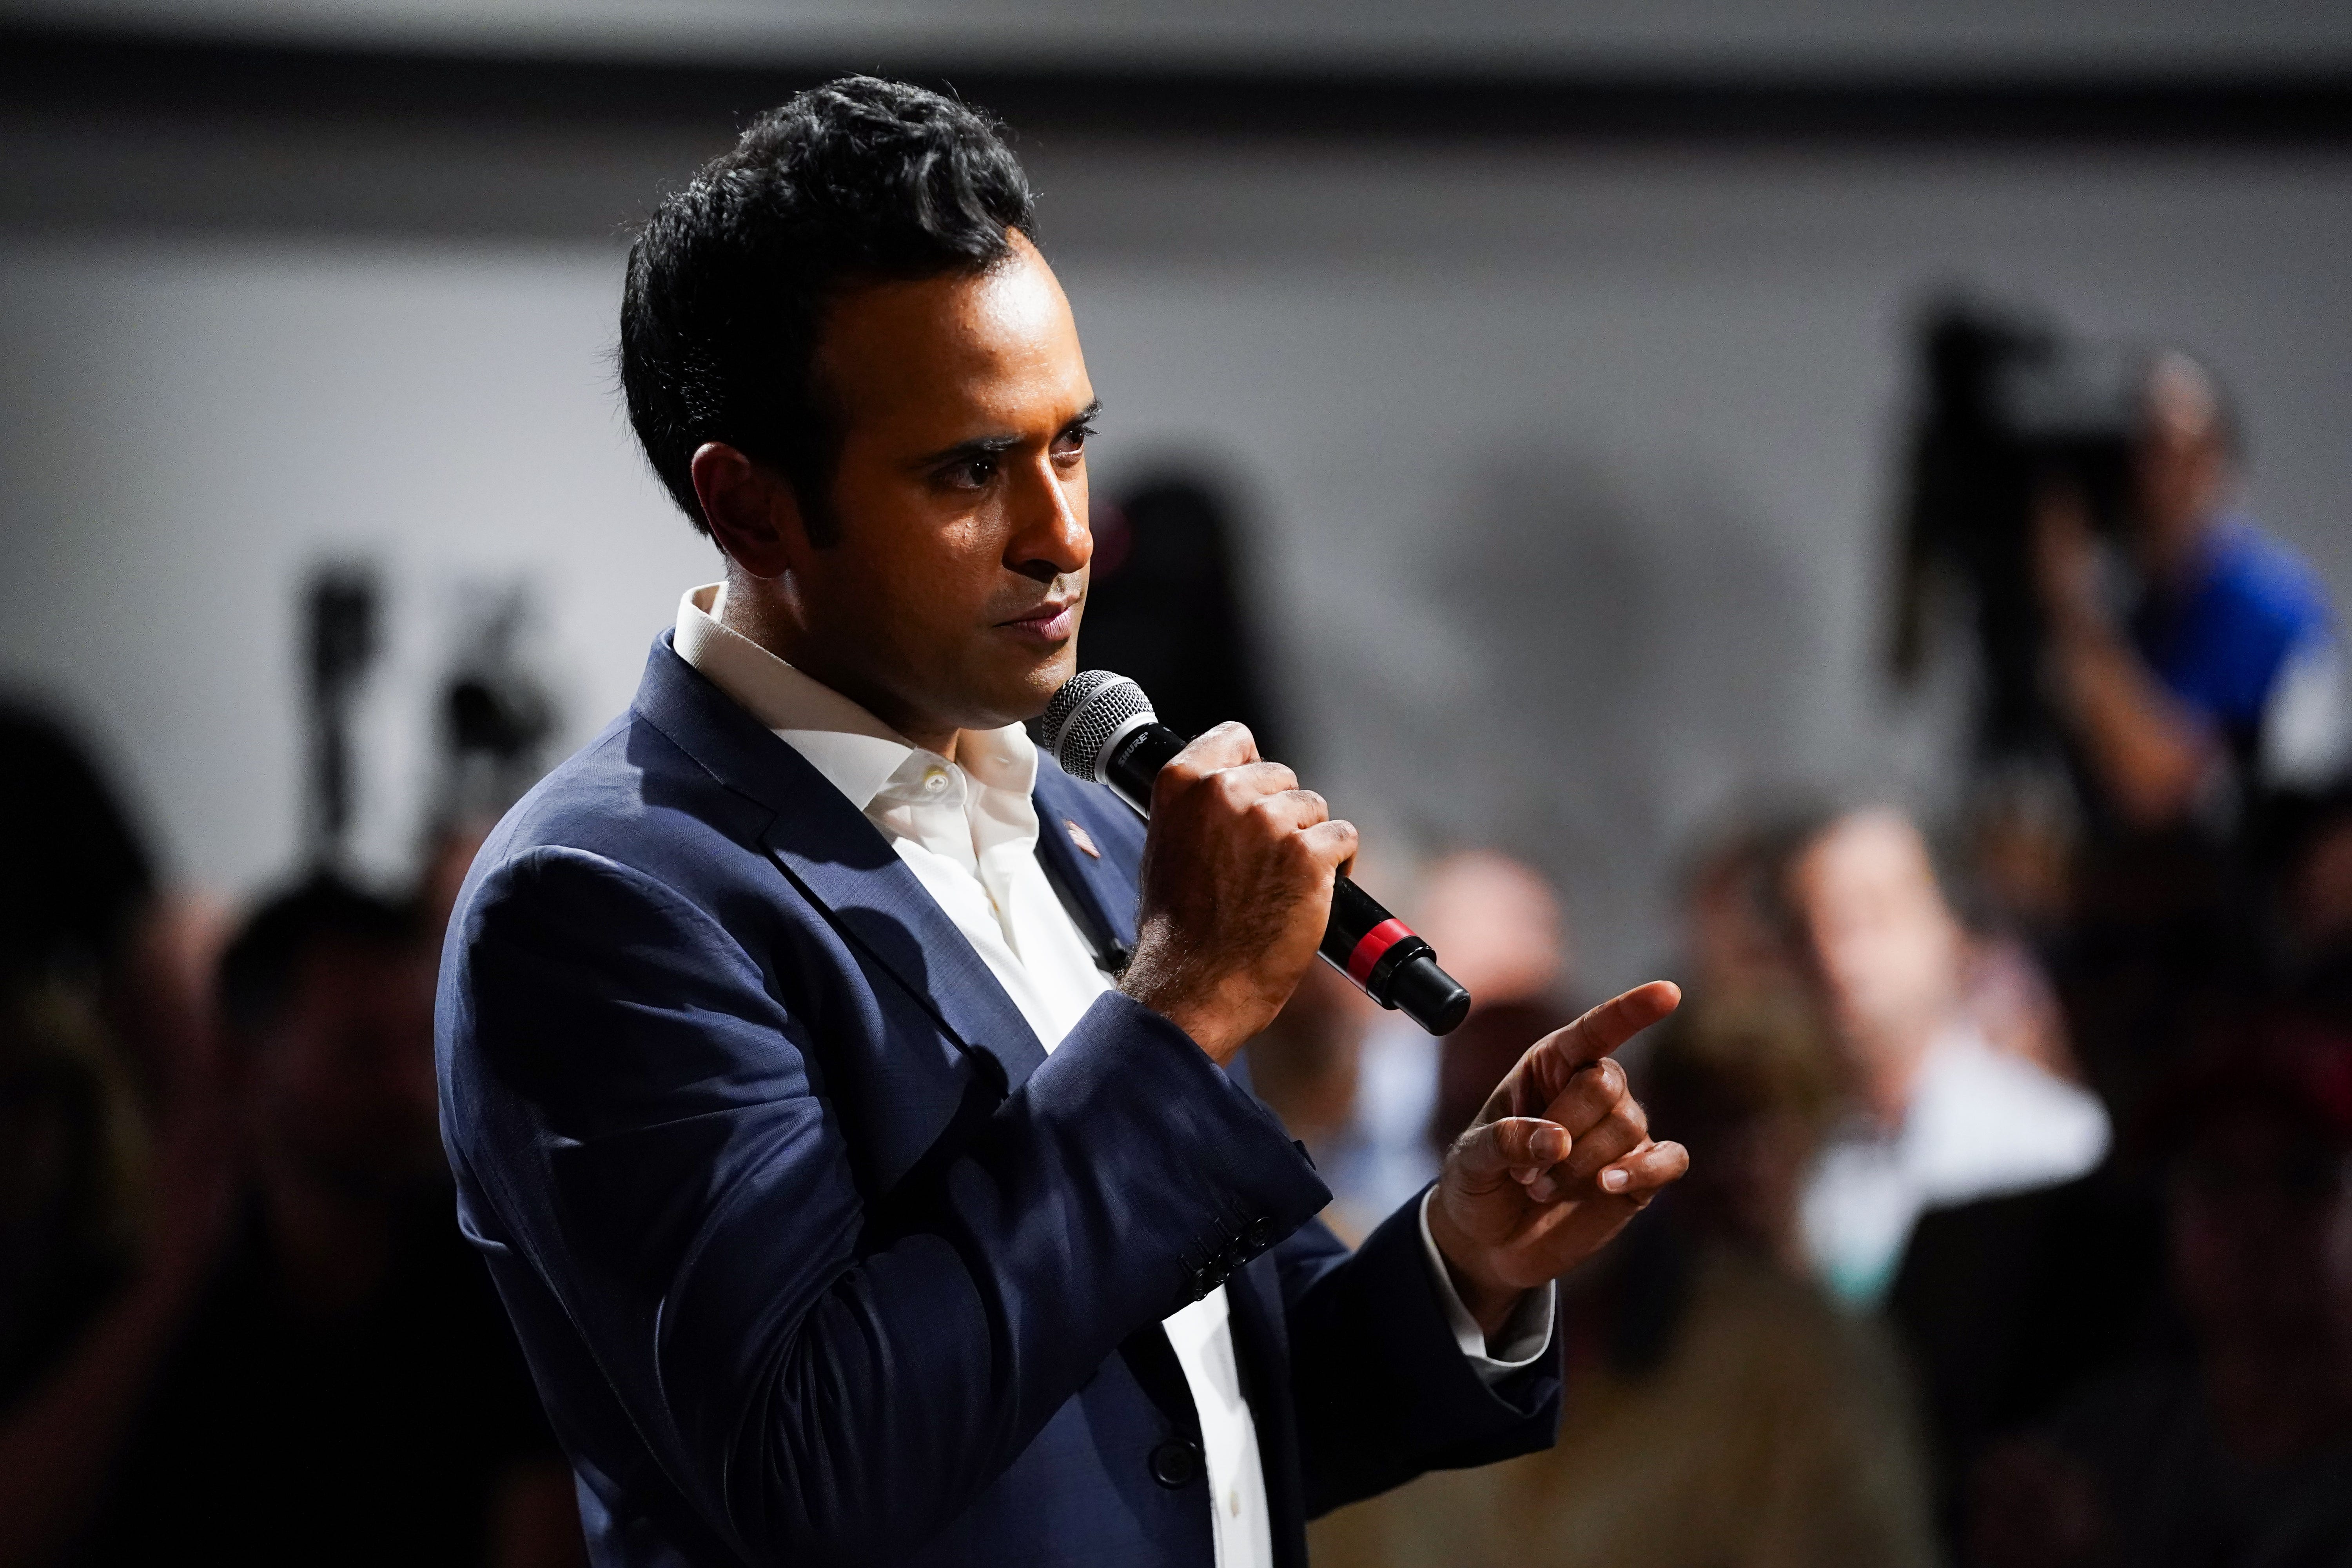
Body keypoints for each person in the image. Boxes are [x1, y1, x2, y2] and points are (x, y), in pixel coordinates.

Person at [436, 77, 1690, 1568]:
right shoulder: (607, 898)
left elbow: (1196, 1420)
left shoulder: (1073, 825)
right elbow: (815, 1465)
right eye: (970, 468)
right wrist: (1183, 1005)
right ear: (753, 509)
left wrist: (1460, 1257)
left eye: (1068, 443)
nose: (1065, 532)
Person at [1310, 999, 1939, 1568]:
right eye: (1468, 1134)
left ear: (1622, 1129)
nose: (1509, 1174)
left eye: (1547, 1132)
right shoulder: (1378, 1353)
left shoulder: (1793, 1354)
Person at [76, 875, 579, 1568]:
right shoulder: (160, 1283)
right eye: (360, 1051)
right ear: (241, 1064)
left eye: (419, 1042)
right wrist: (164, 1286)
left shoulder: (496, 1285)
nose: (409, 1087)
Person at [1782, 807, 2109, 1306]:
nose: (1838, 956)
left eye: (1874, 914)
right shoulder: (1807, 1172)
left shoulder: (2055, 1142)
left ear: (1951, 930)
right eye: (1812, 928)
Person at [2036, 352, 2350, 832]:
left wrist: (2068, 604)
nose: (2161, 482)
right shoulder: (2143, 604)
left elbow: (2156, 785)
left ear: (2220, 465)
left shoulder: (2262, 602)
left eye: (2183, 457)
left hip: (2273, 888)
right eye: (2145, 455)